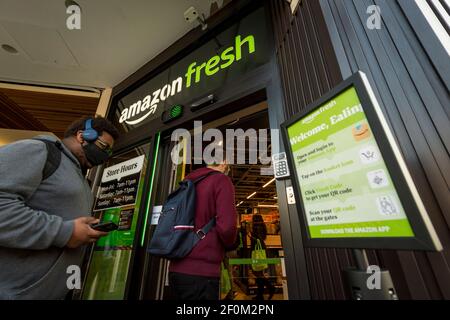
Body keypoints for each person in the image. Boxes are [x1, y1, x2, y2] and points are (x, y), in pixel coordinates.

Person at [0, 116, 119, 300]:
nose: (106, 155)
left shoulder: (79, 175)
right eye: (104, 147)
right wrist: (65, 232)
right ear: (82, 136)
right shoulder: (37, 150)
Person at [169, 161, 237, 300]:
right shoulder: (221, 180)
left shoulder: (187, 182)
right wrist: (231, 243)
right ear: (223, 163)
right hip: (202, 273)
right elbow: (227, 227)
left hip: (176, 270)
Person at [250, 214, 275, 300]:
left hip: (257, 251)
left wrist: (250, 236)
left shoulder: (256, 227)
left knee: (257, 272)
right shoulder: (262, 226)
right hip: (261, 250)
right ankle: (261, 294)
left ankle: (269, 288)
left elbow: (257, 239)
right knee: (259, 273)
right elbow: (262, 238)